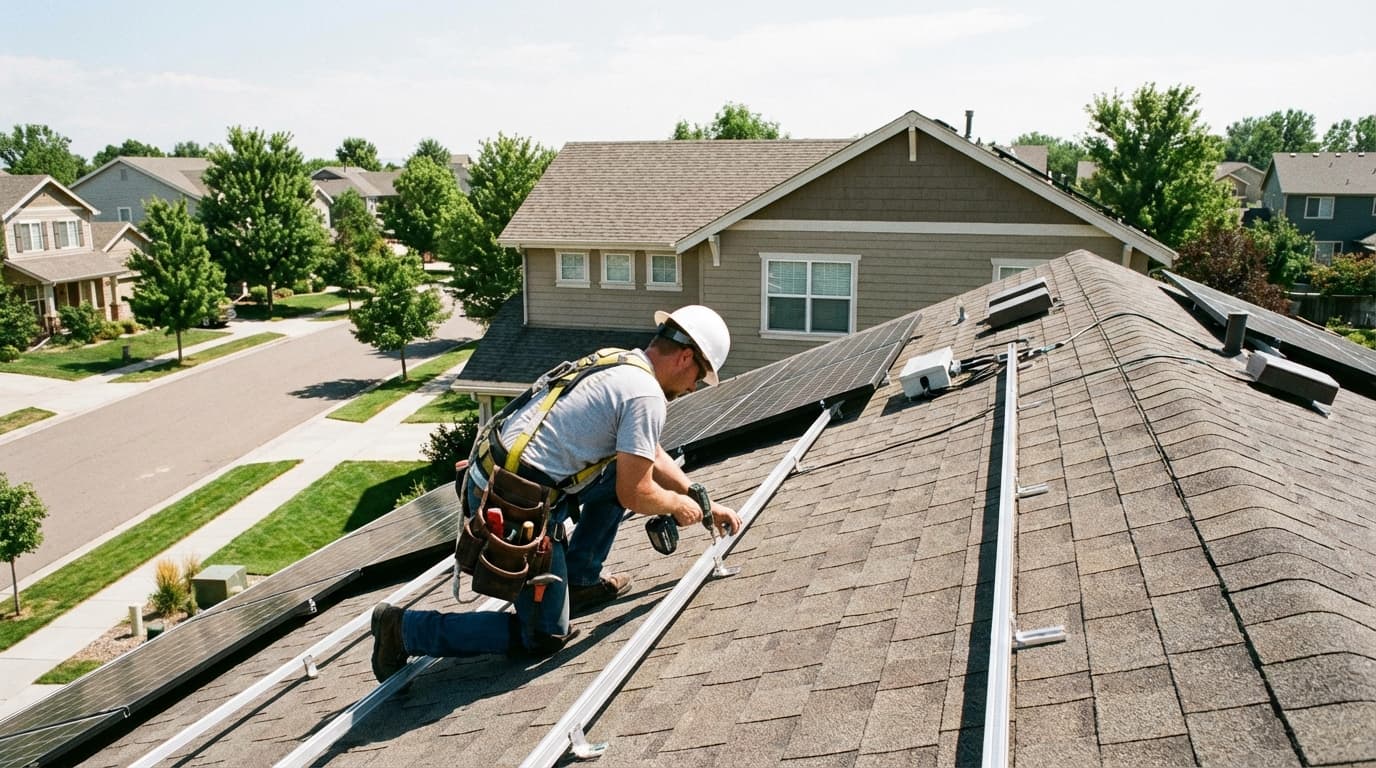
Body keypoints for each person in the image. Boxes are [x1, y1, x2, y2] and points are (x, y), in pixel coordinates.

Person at [369, 305, 742, 681]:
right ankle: (403, 629)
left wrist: (697, 497)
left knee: (622, 466)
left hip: (510, 479)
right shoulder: (645, 396)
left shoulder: (623, 363)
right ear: (685, 357)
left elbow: (647, 452)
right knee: (544, 636)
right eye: (699, 375)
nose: (694, 386)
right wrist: (676, 504)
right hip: (510, 505)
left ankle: (578, 581)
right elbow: (635, 492)